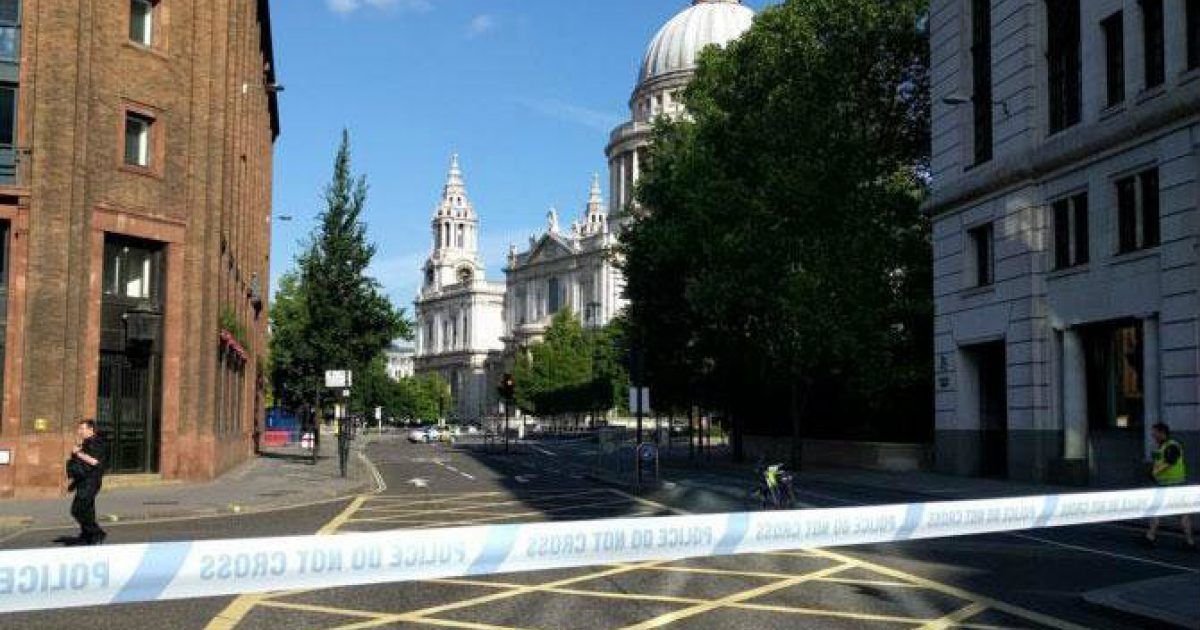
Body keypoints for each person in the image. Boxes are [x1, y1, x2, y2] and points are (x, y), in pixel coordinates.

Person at [1145, 422, 1194, 549]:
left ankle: (1150, 538)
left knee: (1159, 511)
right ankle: (1188, 542)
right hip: (1167, 484)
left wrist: (1154, 472)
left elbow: (1169, 461)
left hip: (1172, 485)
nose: (1153, 435)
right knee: (1180, 513)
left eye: (1154, 433)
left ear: (1162, 433)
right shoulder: (1161, 446)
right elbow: (1158, 461)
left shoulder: (1172, 445)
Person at [68, 418, 107, 546]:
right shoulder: (86, 442)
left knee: (77, 510)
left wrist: (78, 453)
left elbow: (95, 462)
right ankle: (87, 535)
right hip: (83, 481)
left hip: (91, 482)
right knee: (88, 510)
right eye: (79, 429)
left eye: (82, 429)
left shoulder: (98, 442)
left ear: (91, 430)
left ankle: (96, 532)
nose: (79, 431)